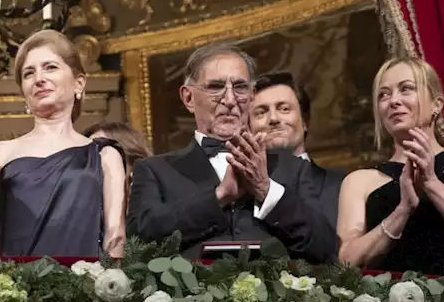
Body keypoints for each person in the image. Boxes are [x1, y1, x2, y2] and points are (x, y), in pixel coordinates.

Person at [127, 42, 337, 263]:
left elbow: (325, 249)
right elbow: (139, 245)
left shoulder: (294, 169)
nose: (229, 100)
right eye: (216, 87)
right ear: (188, 98)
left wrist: (265, 190)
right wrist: (218, 197)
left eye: (240, 87)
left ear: (252, 95)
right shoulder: (155, 170)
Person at [336, 58, 444, 277]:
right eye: (384, 94)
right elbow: (348, 261)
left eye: (406, 89)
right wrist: (402, 210)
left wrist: (432, 184)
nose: (393, 101)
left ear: (437, 104)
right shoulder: (359, 180)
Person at [0, 30, 126, 258]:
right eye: (29, 73)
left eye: (50, 67)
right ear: (24, 94)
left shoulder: (105, 155)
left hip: (85, 287)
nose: (39, 78)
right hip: (13, 287)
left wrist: (104, 287)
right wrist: (8, 278)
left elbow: (115, 235)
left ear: (79, 83)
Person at [250, 72, 345, 230]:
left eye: (284, 109)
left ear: (305, 121)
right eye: (261, 112)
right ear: (248, 127)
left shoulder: (342, 186)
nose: (273, 119)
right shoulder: (239, 194)